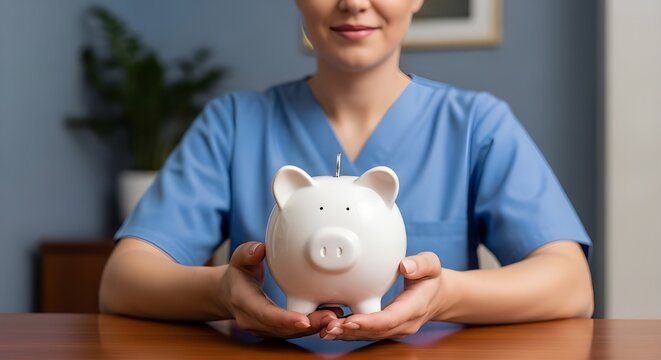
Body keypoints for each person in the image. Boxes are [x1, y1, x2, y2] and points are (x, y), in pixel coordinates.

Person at [99, 0, 593, 341]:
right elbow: (125, 279)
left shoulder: (477, 125)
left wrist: (444, 297)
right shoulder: (232, 124)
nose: (354, 2)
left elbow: (569, 283)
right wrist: (224, 292)